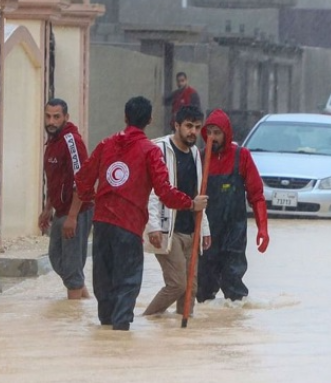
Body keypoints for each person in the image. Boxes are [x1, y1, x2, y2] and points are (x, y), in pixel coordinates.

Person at [67, 96, 208, 331]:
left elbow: (82, 182)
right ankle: (120, 335)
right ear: (150, 120)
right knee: (127, 283)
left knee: (104, 283)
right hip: (129, 227)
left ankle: (106, 334)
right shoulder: (150, 151)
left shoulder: (105, 145)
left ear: (125, 117)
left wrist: (96, 200)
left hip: (101, 225)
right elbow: (165, 191)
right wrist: (191, 204)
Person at [143, 105, 211, 317]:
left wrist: (205, 229)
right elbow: (152, 192)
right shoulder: (158, 149)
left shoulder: (194, 153)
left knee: (190, 288)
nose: (193, 132)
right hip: (167, 229)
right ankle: (146, 320)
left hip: (191, 229)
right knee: (177, 284)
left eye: (197, 127)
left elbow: (197, 193)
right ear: (177, 125)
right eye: (189, 126)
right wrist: (153, 227)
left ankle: (182, 339)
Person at [196, 108, 269, 302]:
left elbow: (257, 195)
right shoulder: (200, 158)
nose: (212, 137)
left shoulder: (241, 156)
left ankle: (235, 321)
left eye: (217, 133)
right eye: (209, 132)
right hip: (207, 231)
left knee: (232, 280)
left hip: (234, 230)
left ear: (226, 134)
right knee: (203, 286)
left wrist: (263, 229)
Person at [38, 98, 94, 300]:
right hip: (61, 210)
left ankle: (73, 318)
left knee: (70, 267)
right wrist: (47, 209)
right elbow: (55, 179)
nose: (51, 121)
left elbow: (82, 180)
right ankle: (84, 300)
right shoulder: (52, 142)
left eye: (56, 117)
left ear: (66, 117)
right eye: (48, 116)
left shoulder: (72, 142)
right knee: (57, 259)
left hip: (77, 210)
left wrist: (73, 217)